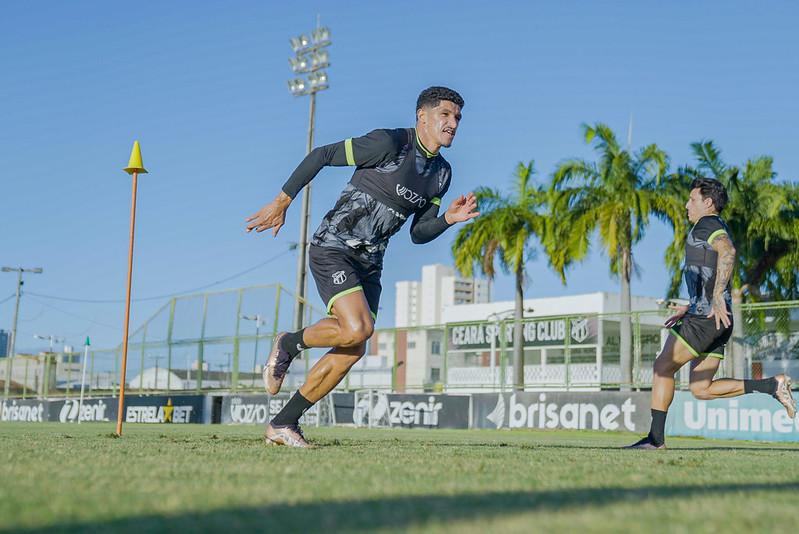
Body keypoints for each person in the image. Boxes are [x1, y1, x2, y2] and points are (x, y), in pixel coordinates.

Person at [246, 86, 479, 447]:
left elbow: (418, 233)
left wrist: (447, 218)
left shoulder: (441, 174)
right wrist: (282, 201)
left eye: (458, 118)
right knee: (359, 328)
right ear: (422, 116)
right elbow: (322, 155)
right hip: (334, 246)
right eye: (445, 115)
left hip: (371, 263)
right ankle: (288, 343)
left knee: (354, 345)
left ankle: (283, 423)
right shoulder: (390, 143)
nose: (453, 123)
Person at [626, 177, 796, 449]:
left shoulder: (707, 224)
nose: (686, 205)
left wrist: (714, 297)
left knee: (662, 367)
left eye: (691, 200)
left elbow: (728, 251)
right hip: (717, 318)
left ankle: (655, 440)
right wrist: (692, 304)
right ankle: (772, 386)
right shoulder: (715, 225)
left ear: (708, 202)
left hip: (707, 317)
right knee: (701, 388)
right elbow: (713, 268)